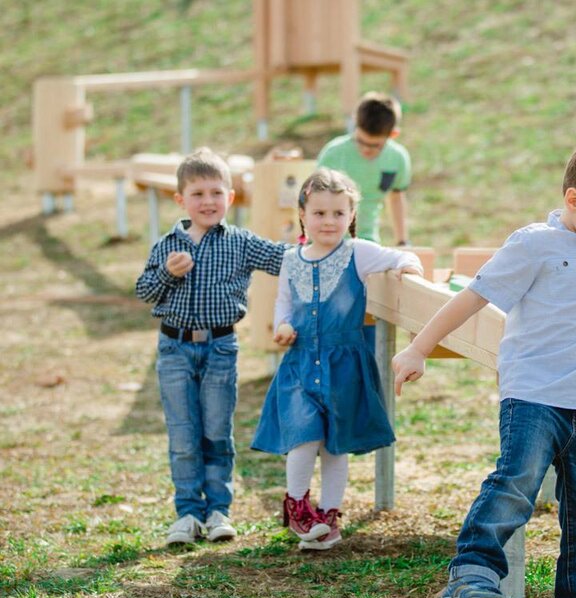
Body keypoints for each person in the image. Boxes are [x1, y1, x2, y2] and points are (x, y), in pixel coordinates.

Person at [392, 82, 576, 598]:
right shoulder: (533, 245)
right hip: (533, 395)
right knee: (516, 483)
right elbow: (473, 297)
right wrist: (418, 347)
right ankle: (472, 573)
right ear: (573, 200)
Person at [251, 168, 422, 551]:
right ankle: (297, 506)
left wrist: (407, 268)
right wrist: (281, 325)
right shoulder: (291, 259)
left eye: (338, 214)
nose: (329, 222)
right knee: (303, 436)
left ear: (351, 216)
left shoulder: (358, 253)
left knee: (334, 445)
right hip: (300, 361)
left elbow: (403, 254)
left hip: (344, 365)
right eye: (320, 213)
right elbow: (284, 303)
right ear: (303, 216)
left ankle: (327, 516)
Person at [136, 148, 288, 546]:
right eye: (198, 194)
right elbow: (145, 292)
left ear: (230, 198)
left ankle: (219, 509)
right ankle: (187, 513)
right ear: (181, 200)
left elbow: (285, 259)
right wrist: (168, 275)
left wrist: (328, 245)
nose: (208, 201)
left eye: (216, 193)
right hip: (175, 349)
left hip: (221, 347)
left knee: (217, 431)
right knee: (183, 433)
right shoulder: (168, 245)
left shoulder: (239, 243)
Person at [316, 92, 412, 246]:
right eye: (361, 141)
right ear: (355, 124)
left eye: (375, 145)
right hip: (330, 242)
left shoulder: (397, 158)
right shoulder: (333, 154)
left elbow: (396, 198)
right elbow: (315, 201)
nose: (366, 149)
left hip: (368, 241)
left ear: (393, 134)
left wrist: (402, 241)